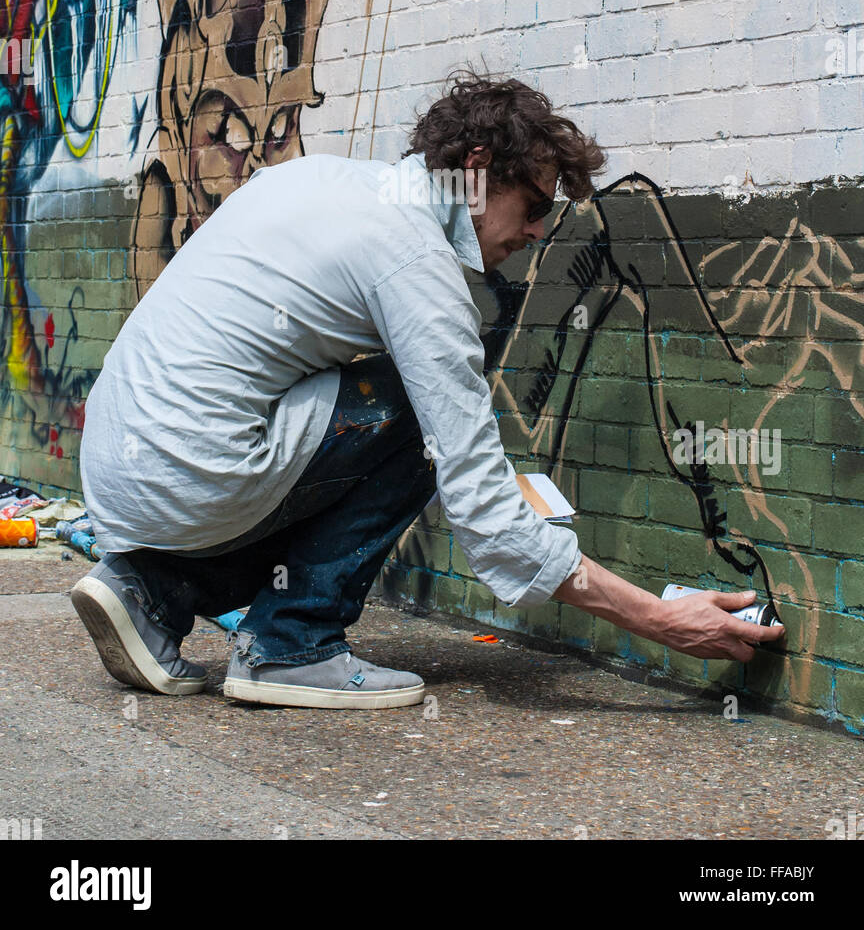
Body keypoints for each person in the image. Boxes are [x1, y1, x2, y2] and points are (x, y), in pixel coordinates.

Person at [73, 69, 781, 709]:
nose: (538, 231)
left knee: (350, 404)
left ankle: (151, 592)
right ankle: (293, 643)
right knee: (416, 416)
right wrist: (657, 618)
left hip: (119, 463)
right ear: (476, 169)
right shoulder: (415, 261)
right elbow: (483, 508)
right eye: (533, 204)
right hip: (190, 469)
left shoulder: (319, 179)